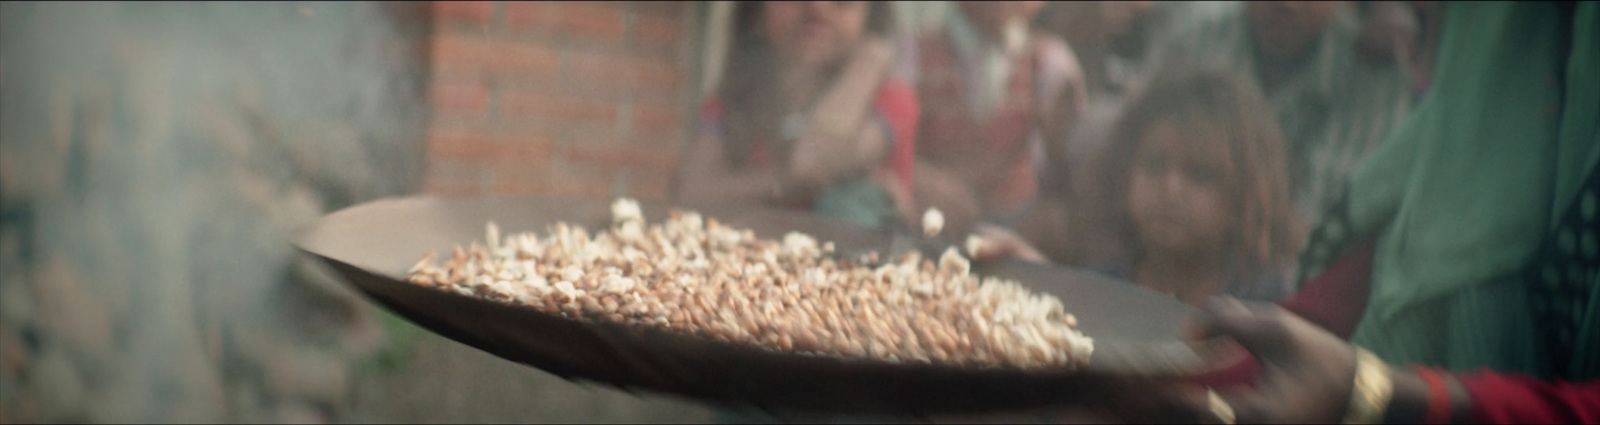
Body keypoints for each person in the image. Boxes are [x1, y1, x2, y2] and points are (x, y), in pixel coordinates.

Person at [1098, 2, 1600, 423]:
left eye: (1424, 25)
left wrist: (1383, 393)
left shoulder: (1377, 75)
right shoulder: (1457, 138)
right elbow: (1316, 328)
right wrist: (1072, 347)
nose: (1400, 34)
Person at [1150, 1, 1414, 227]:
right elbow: (1140, 167)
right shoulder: (1193, 39)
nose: (1289, 4)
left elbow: (1337, 211)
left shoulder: (1373, 69)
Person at [675, 1, 919, 230]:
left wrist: (869, 62)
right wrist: (789, 182)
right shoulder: (732, 102)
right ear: (756, 12)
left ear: (870, 15)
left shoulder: (890, 101)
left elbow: (814, 160)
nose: (818, 8)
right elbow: (689, 193)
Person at [1087, 67, 1303, 305]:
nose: (1170, 189)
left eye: (1199, 174)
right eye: (1154, 165)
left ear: (1245, 193)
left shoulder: (1266, 303)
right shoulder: (1100, 289)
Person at [910, 1, 1087, 230]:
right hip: (928, 225)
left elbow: (1067, 172)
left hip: (1017, 225)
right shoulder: (914, 53)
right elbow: (889, 149)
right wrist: (919, 178)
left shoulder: (1051, 62)